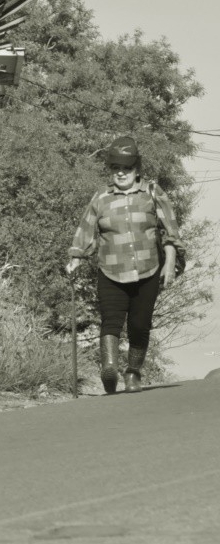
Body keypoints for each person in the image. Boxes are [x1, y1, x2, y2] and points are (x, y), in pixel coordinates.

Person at [65, 136, 184, 393]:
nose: (121, 173)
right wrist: (76, 257)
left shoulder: (153, 192)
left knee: (140, 325)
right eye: (115, 168)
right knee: (111, 321)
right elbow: (86, 228)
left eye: (126, 168)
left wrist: (169, 264)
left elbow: (170, 232)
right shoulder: (102, 197)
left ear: (136, 169)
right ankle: (109, 369)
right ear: (110, 169)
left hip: (148, 270)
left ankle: (133, 373)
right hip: (110, 271)